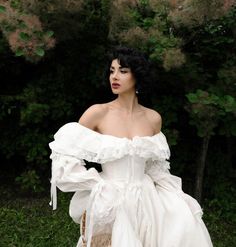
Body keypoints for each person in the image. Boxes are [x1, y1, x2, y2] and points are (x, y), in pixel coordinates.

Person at [49, 46, 213, 247]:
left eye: (123, 71)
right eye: (112, 70)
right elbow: (64, 156)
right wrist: (96, 184)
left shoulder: (153, 119)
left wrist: (177, 198)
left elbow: (155, 168)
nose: (114, 76)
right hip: (111, 201)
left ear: (138, 75)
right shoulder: (98, 113)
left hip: (147, 202)